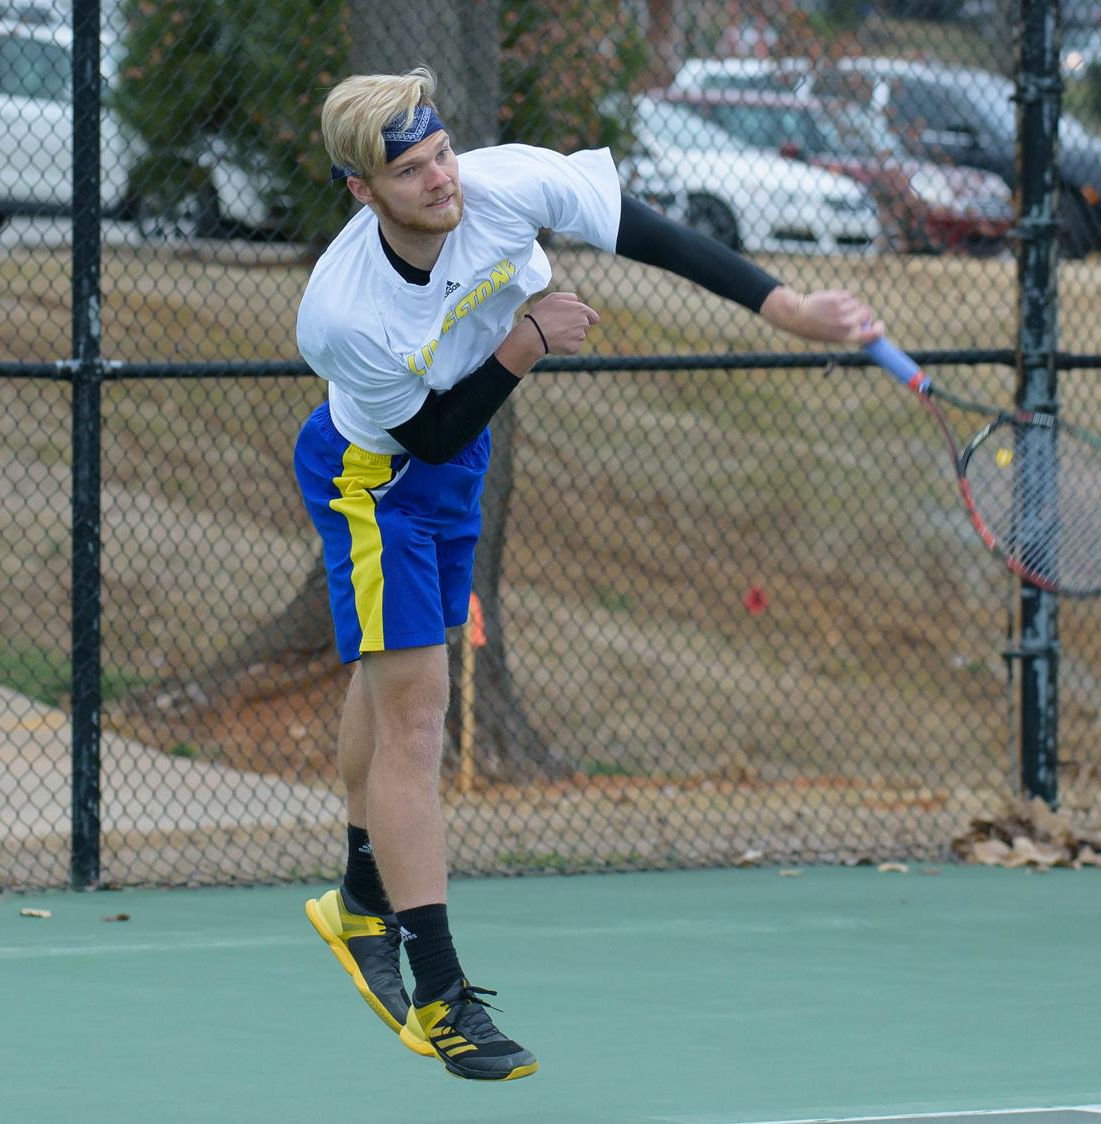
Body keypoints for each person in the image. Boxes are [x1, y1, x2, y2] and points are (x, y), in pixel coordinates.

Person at [293, 66, 884, 1083]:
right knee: (419, 710)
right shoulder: (340, 312)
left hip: (449, 462)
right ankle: (438, 992)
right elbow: (428, 434)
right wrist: (525, 343)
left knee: (394, 680)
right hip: (374, 475)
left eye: (440, 151)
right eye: (411, 169)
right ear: (362, 189)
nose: (441, 178)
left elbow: (652, 233)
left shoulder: (506, 183)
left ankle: (356, 900)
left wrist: (787, 307)